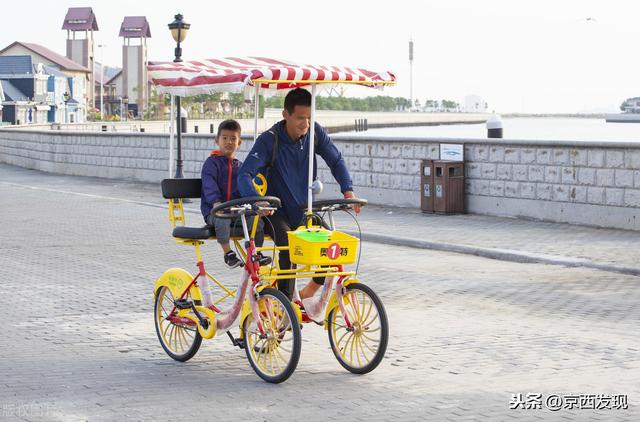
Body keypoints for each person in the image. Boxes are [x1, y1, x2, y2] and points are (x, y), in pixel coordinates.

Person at [238, 88, 360, 300]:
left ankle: (308, 292)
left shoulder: (314, 133)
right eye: (300, 118)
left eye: (310, 118)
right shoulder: (270, 139)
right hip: (275, 212)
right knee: (289, 247)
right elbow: (244, 174)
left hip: (304, 209)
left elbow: (336, 160)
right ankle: (286, 305)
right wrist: (258, 202)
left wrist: (348, 191)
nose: (305, 124)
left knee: (330, 245)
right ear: (286, 115)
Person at [201, 119, 269, 268]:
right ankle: (228, 253)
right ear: (217, 140)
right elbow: (209, 184)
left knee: (256, 220)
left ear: (239, 142)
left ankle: (256, 251)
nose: (229, 142)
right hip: (214, 211)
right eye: (224, 138)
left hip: (236, 211)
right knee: (222, 219)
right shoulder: (211, 163)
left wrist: (256, 203)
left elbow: (246, 188)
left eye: (233, 139)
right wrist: (216, 202)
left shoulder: (241, 166)